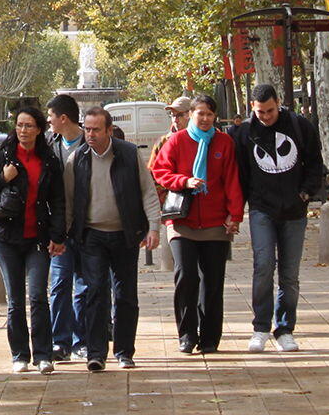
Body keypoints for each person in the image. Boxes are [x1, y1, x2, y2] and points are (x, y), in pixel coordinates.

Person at [231, 83, 323, 352]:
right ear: (252, 108)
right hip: (261, 209)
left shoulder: (299, 125)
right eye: (260, 112)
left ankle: (285, 329)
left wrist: (305, 194)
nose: (266, 117)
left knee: (289, 274)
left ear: (279, 103)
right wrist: (244, 205)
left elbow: (315, 164)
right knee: (262, 267)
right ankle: (260, 327)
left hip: (294, 211)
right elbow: (239, 171)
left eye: (270, 111)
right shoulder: (245, 132)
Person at [0, 106, 67, 374]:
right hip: (7, 238)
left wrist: (58, 235)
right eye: (19, 125)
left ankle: (43, 355)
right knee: (15, 301)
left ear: (39, 129)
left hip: (37, 238)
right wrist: (4, 177)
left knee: (38, 296)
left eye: (28, 126)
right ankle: (20, 355)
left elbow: (58, 201)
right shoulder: (5, 155)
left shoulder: (48, 161)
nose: (23, 131)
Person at [68, 106, 160, 371]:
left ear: (109, 130)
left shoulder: (129, 155)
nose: (90, 135)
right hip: (92, 236)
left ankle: (124, 351)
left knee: (125, 295)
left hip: (124, 234)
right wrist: (63, 235)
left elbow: (147, 192)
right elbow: (69, 198)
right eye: (87, 129)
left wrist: (153, 227)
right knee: (95, 293)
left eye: (96, 129)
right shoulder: (78, 158)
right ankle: (96, 353)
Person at [150, 94, 243, 355]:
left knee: (213, 282)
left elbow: (233, 179)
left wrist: (234, 215)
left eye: (209, 115)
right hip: (182, 221)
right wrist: (184, 181)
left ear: (215, 117)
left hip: (215, 223)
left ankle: (210, 338)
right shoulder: (176, 141)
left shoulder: (224, 142)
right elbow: (160, 171)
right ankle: (187, 335)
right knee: (186, 276)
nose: (204, 119)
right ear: (191, 114)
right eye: (199, 113)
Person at [44, 94, 87, 362]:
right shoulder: (50, 144)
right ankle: (60, 342)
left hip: (89, 227)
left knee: (86, 285)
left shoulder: (91, 141)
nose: (48, 122)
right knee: (59, 284)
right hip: (60, 228)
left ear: (64, 118)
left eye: (51, 117)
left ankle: (82, 340)